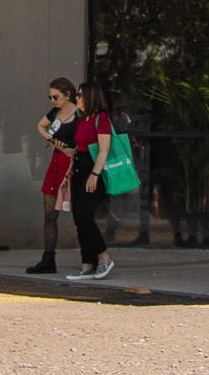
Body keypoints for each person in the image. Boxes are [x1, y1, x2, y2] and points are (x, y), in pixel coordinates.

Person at [24, 77, 79, 275]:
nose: (53, 101)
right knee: (49, 213)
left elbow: (88, 138)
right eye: (50, 97)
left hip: (72, 164)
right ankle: (48, 258)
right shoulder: (55, 113)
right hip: (56, 162)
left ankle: (90, 258)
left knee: (79, 214)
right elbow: (40, 125)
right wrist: (50, 139)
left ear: (68, 95)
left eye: (56, 97)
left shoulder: (79, 114)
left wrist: (72, 150)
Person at [66, 79, 116, 281]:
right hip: (78, 170)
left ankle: (104, 257)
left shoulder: (101, 119)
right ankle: (87, 263)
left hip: (93, 171)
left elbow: (104, 150)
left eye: (79, 95)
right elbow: (79, 146)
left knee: (84, 215)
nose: (76, 98)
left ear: (90, 97)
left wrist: (94, 175)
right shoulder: (81, 119)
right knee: (78, 218)